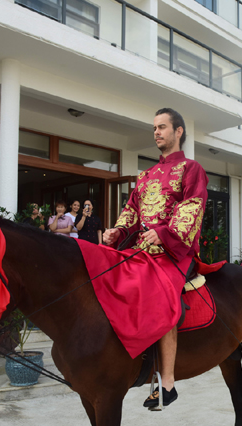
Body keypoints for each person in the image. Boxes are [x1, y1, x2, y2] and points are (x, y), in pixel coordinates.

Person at [103, 108, 208, 406]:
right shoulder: (146, 176)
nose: (157, 133)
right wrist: (118, 231)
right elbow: (132, 211)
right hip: (141, 250)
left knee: (160, 294)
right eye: (154, 129)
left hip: (173, 253)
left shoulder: (191, 169)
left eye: (162, 127)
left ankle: (168, 383)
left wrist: (163, 234)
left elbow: (192, 207)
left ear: (179, 132)